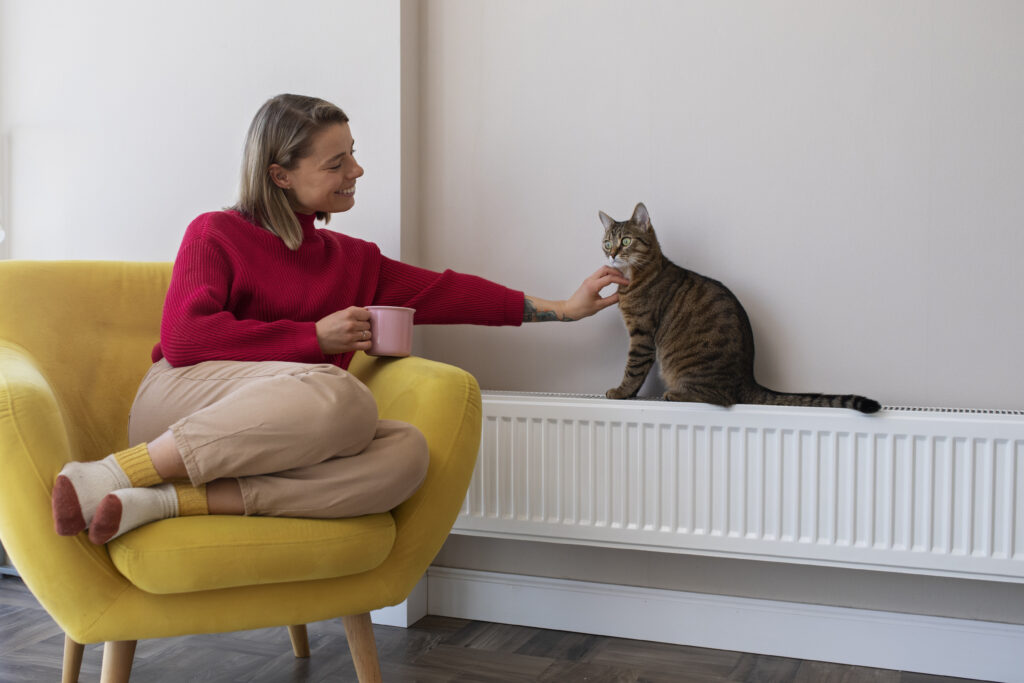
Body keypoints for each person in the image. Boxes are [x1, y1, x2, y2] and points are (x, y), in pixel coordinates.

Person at [51, 94, 628, 545]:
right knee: (341, 394)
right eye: (337, 161)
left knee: (406, 455)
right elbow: (184, 339)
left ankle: (165, 501)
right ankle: (113, 473)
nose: (357, 168)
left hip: (285, 428)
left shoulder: (352, 260)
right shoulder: (216, 233)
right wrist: (312, 337)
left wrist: (564, 309)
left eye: (353, 151)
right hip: (179, 403)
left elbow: (446, 292)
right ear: (281, 175)